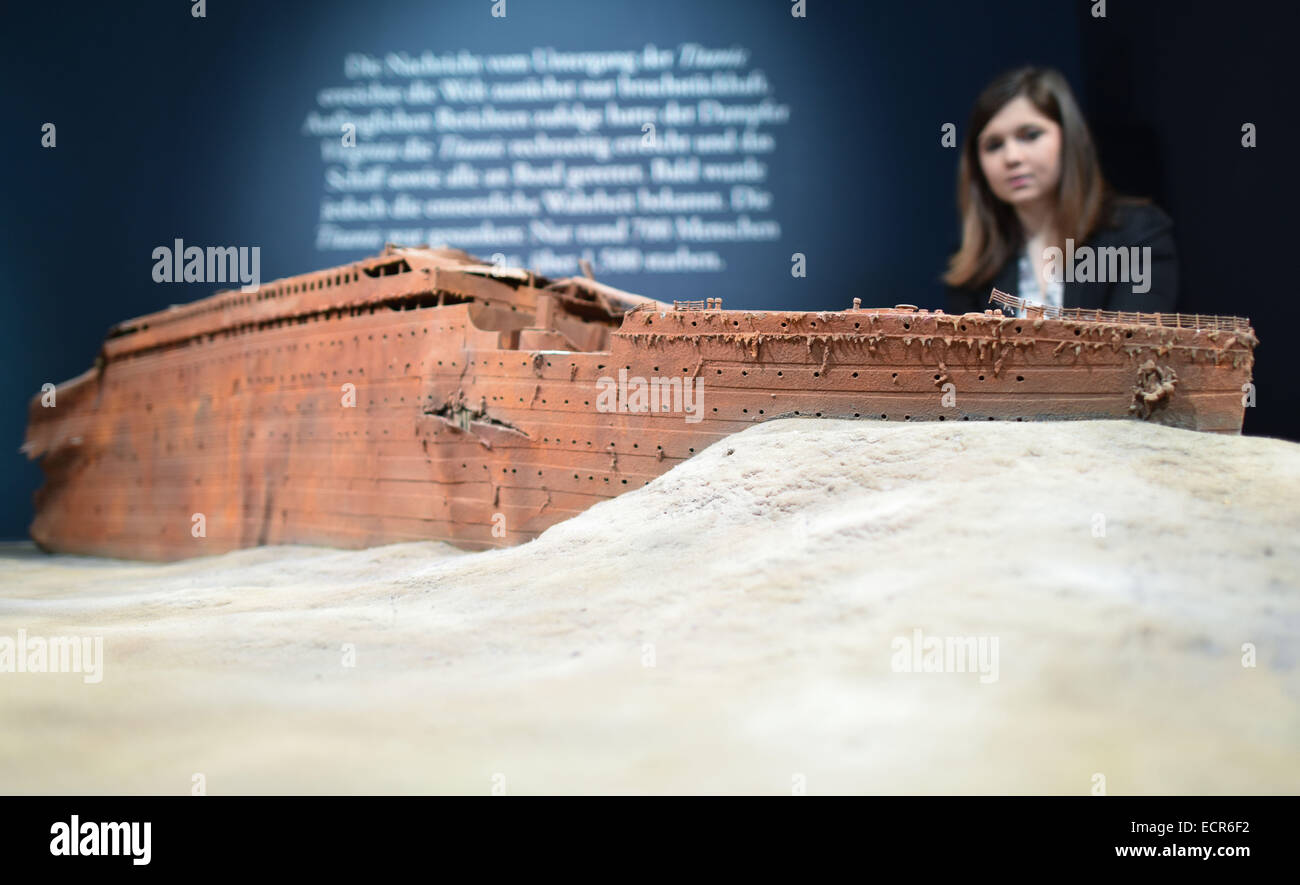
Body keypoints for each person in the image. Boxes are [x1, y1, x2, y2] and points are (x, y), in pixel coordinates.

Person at [944, 66, 1178, 318]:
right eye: (994, 145)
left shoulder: (1139, 234)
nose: (1012, 157)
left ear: (1069, 140)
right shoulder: (971, 267)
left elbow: (1131, 341)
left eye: (1030, 135)